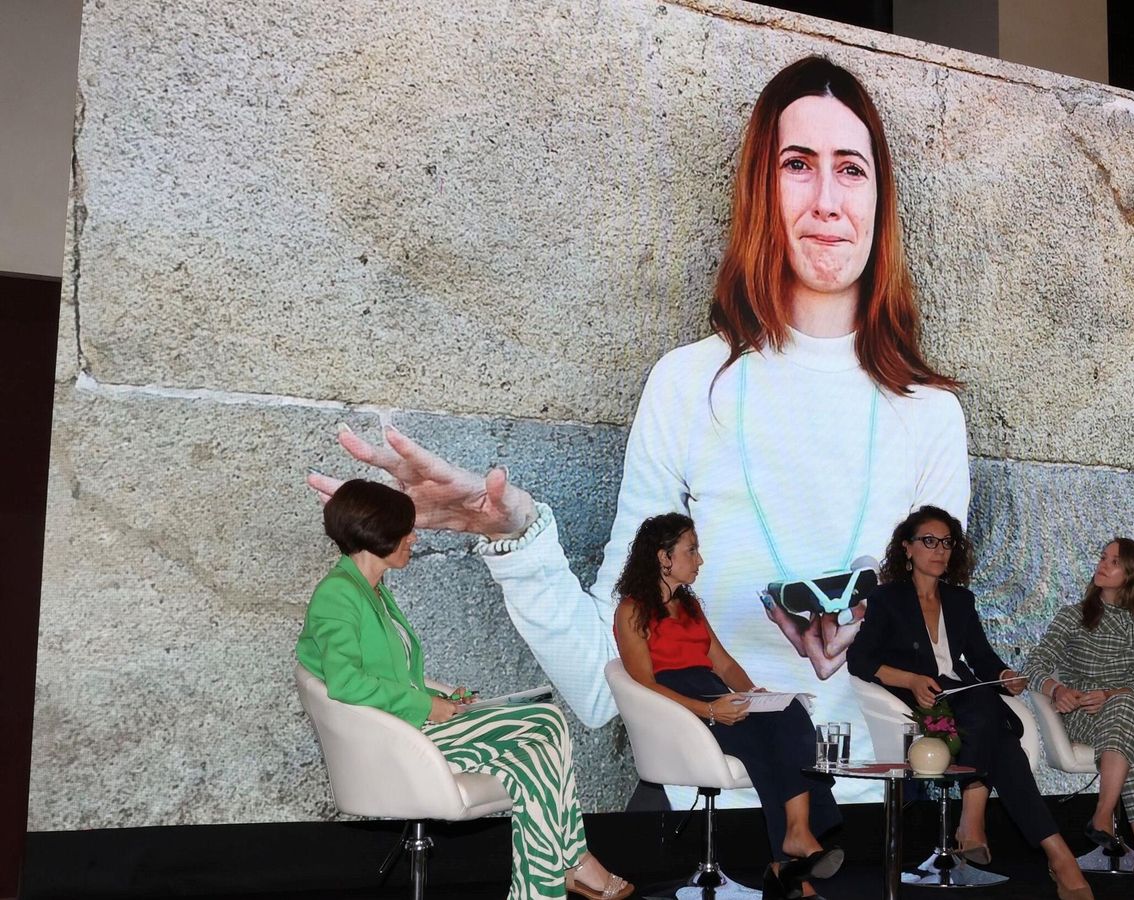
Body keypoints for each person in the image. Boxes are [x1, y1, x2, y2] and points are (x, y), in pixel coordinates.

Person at [308, 55, 970, 809]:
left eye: (851, 169)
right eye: (797, 165)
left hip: (883, 816)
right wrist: (515, 536)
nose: (826, 200)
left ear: (880, 197)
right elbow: (602, 685)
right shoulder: (688, 385)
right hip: (703, 816)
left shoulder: (929, 414)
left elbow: (943, 664)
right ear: (760, 187)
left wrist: (878, 633)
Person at [295, 480, 631, 900]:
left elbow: (389, 673)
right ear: (374, 532)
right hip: (397, 740)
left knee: (536, 753)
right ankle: (571, 865)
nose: (414, 537)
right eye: (405, 529)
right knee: (543, 727)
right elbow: (346, 683)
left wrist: (448, 699)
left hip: (410, 723)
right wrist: (426, 705)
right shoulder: (337, 595)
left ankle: (550, 882)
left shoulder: (371, 590)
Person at [846, 506, 1094, 900]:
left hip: (961, 698)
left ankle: (1043, 849)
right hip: (914, 699)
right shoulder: (887, 598)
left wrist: (1004, 676)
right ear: (907, 549)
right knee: (989, 717)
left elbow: (982, 659)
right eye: (929, 541)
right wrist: (910, 680)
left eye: (947, 542)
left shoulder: (960, 599)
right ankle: (1050, 853)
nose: (939, 550)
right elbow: (859, 660)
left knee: (991, 717)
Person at [612, 513, 842, 900]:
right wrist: (711, 711)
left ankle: (797, 835)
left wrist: (754, 694)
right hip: (678, 710)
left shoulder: (690, 606)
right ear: (663, 557)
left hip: (712, 693)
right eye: (692, 550)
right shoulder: (632, 611)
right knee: (759, 740)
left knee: (791, 712)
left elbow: (722, 663)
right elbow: (645, 685)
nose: (699, 560)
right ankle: (790, 864)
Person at [1022, 538, 1134, 880]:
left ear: (1132, 574)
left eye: (1113, 561)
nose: (1102, 564)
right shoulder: (1073, 616)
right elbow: (1034, 665)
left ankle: (1103, 812)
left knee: (1125, 705)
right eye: (1103, 557)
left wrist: (1110, 693)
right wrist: (1056, 689)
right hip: (1085, 717)